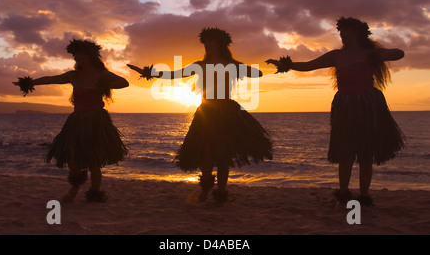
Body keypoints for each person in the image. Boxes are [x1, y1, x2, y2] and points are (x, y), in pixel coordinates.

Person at [266, 17, 405, 206]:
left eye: (346, 32)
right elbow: (308, 65)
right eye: (341, 33)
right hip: (345, 106)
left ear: (358, 33)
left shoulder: (370, 53)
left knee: (365, 154)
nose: (343, 35)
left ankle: (364, 196)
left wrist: (382, 54)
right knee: (345, 152)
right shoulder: (336, 56)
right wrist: (285, 64)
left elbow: (399, 53)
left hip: (367, 106)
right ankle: (343, 192)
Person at [128, 27, 273, 204]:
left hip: (227, 112)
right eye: (205, 41)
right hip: (207, 113)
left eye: (210, 40)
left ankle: (221, 192)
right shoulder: (200, 65)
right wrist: (149, 72)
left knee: (224, 155)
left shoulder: (231, 65)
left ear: (220, 43)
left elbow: (257, 73)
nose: (207, 44)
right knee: (206, 153)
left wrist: (240, 68)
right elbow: (174, 75)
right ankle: (205, 187)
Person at [13, 39, 129, 203]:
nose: (75, 58)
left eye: (78, 54)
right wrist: (30, 82)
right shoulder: (73, 75)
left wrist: (101, 86)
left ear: (88, 55)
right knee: (72, 159)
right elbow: (51, 79)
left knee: (94, 161)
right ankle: (76, 186)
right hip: (76, 121)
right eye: (74, 55)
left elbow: (124, 82)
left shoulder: (101, 74)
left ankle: (94, 193)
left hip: (96, 121)